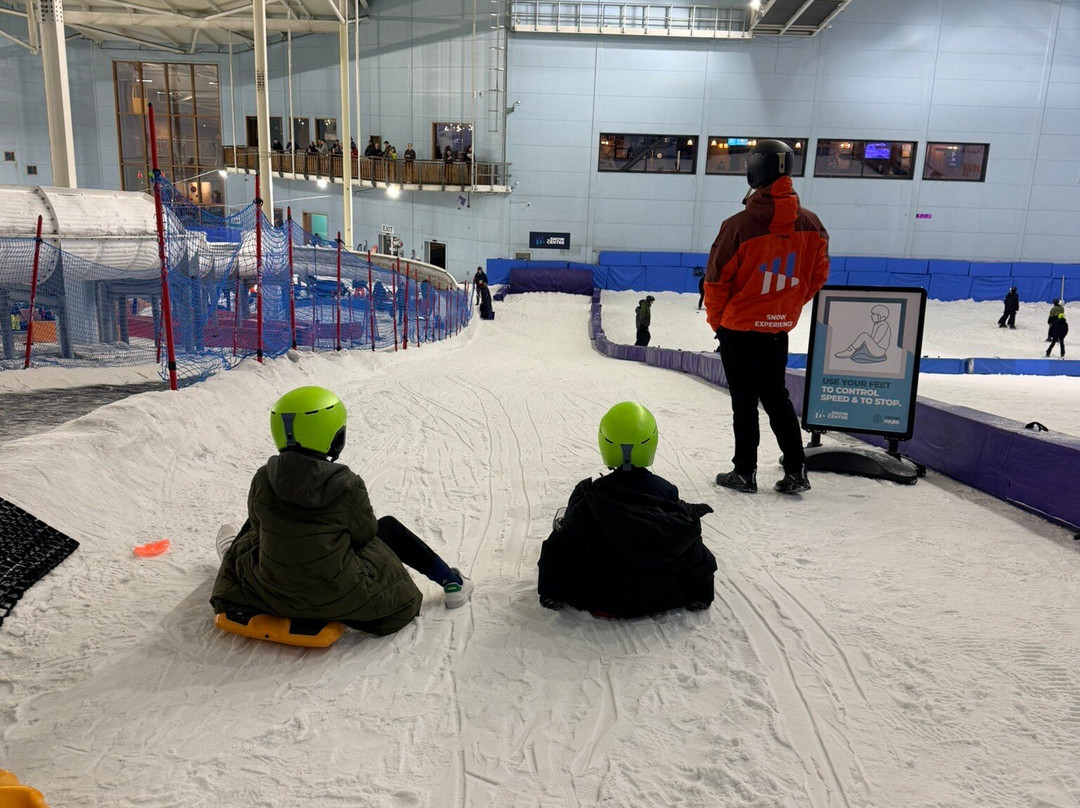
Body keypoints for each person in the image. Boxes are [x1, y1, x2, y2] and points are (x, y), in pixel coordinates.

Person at [211, 386, 473, 637]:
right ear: (332, 436)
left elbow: (257, 528)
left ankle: (231, 553)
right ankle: (451, 582)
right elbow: (365, 534)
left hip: (270, 591)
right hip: (339, 595)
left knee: (260, 523)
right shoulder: (347, 485)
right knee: (387, 528)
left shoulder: (263, 477)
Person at [704, 139, 830, 496]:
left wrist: (719, 322)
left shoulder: (738, 226)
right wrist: (786, 306)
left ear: (755, 169)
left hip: (739, 329)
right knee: (777, 398)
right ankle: (796, 470)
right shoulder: (812, 224)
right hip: (777, 330)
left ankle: (744, 472)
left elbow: (715, 282)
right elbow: (817, 275)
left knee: (744, 402)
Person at [537, 402, 716, 618]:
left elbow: (557, 553)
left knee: (569, 531)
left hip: (598, 597)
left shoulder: (590, 499)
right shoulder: (666, 493)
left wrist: (551, 593)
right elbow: (695, 556)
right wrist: (701, 595)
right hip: (661, 597)